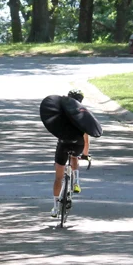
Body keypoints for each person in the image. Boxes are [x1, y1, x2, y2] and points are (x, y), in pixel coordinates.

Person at [51, 89, 91, 217]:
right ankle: (76, 182)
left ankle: (55, 207)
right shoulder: (83, 115)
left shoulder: (63, 113)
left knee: (58, 177)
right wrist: (85, 154)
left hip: (63, 143)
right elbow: (86, 139)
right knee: (75, 157)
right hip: (78, 143)